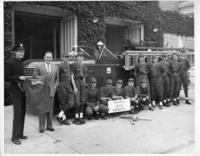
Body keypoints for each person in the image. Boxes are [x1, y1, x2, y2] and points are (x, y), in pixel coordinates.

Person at [5, 43, 28, 145]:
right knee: (17, 114)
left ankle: (20, 134)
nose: (22, 53)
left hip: (22, 90)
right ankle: (14, 137)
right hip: (15, 90)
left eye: (23, 52)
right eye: (20, 51)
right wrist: (19, 78)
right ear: (15, 52)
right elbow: (6, 77)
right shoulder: (10, 63)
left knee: (23, 112)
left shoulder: (21, 63)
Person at [33, 51, 59, 133]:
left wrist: (55, 86)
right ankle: (41, 127)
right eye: (47, 57)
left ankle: (49, 126)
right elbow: (35, 76)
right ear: (44, 57)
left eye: (50, 57)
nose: (49, 59)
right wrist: (42, 79)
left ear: (52, 58)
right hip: (42, 90)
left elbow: (57, 79)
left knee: (50, 109)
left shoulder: (55, 67)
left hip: (51, 91)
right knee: (42, 109)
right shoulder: (38, 66)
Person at [56, 52, 74, 125]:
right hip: (62, 85)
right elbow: (56, 76)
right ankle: (63, 119)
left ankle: (59, 115)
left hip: (68, 85)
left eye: (67, 57)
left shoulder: (69, 65)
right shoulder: (60, 65)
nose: (66, 58)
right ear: (62, 57)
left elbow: (71, 76)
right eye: (65, 57)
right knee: (62, 103)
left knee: (71, 103)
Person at [70, 51, 87, 125]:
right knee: (77, 101)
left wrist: (84, 83)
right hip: (76, 82)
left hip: (82, 82)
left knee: (82, 100)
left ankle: (81, 117)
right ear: (77, 57)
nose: (81, 58)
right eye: (79, 57)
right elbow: (71, 77)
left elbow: (84, 76)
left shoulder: (83, 66)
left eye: (82, 57)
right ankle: (76, 118)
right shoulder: (73, 65)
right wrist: (74, 87)